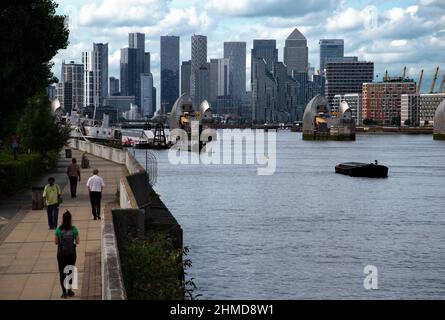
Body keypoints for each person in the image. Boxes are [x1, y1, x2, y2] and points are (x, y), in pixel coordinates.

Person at [55, 210, 79, 299]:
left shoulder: (58, 229)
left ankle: (64, 292)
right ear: (70, 219)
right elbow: (78, 241)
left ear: (62, 219)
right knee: (70, 271)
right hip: (72, 254)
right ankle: (69, 290)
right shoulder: (74, 229)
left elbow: (56, 242)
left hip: (61, 254)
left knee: (62, 273)